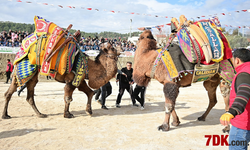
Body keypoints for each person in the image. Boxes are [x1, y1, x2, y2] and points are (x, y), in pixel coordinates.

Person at [220, 48, 250, 150]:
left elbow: (244, 93)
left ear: (236, 60)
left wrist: (231, 111)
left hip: (243, 125)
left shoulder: (244, 74)